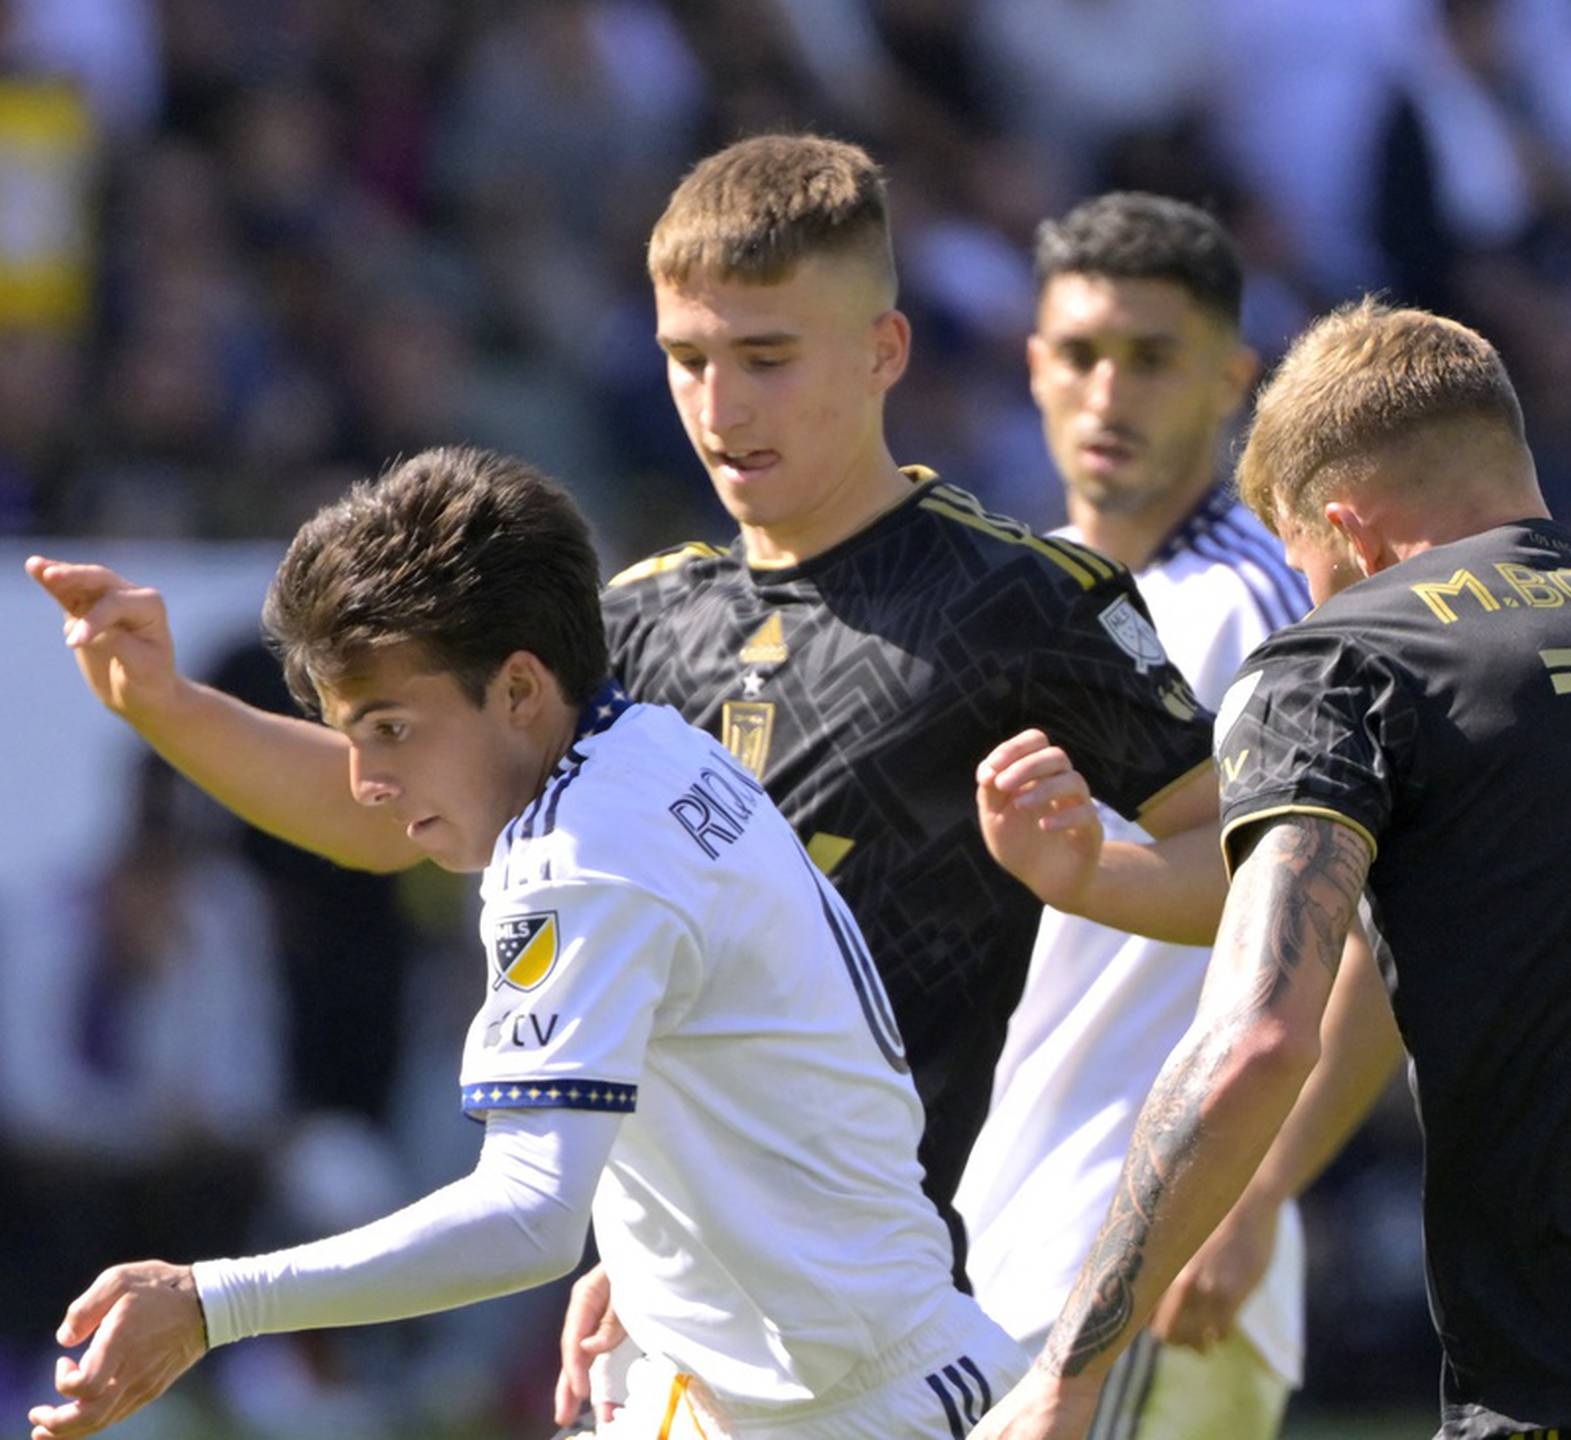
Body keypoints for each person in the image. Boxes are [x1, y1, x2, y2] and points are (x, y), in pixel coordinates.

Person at [24, 134, 1224, 1428]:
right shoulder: (648, 619)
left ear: (884, 351)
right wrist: (169, 705)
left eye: (768, 358)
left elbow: (1257, 880)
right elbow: (402, 812)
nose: (721, 407)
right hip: (685, 1334)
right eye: (687, 359)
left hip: (898, 1312)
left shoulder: (1024, 599)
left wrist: (1097, 873)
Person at [971, 298, 1571, 1440]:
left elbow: (1258, 1038)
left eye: (1307, 568)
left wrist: (1067, 1372)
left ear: (1350, 534)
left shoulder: (1347, 654)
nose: (1315, 600)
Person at [26, 447, 1027, 1440]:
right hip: (744, 1386)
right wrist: (655, 1262)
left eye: (388, 730)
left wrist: (210, 1305)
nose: (367, 778)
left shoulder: (582, 854)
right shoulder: (633, 746)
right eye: (351, 734)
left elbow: (528, 1217)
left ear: (515, 689)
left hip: (855, 1412)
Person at [953, 193, 1402, 1440]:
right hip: (994, 1250)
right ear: (1035, 367)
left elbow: (1368, 929)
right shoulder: (1025, 593)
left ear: (1231, 381)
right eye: (1082, 354)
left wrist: (1255, 1190)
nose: (1111, 392)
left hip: (1146, 1269)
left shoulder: (1264, 610)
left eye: (1153, 358)